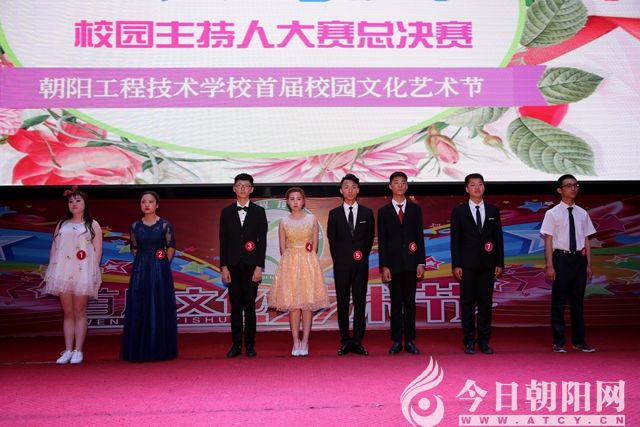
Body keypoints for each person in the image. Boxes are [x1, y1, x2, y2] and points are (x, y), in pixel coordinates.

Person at [268, 187, 330, 356]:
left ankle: (305, 341)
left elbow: (315, 246)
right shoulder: (283, 221)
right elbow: (282, 248)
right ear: (287, 202)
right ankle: (296, 341)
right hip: (290, 264)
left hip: (308, 264)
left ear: (303, 201)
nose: (295, 202)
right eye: (292, 199)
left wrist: (306, 259)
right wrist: (291, 260)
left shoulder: (312, 219)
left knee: (307, 305)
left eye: (298, 198)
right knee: (294, 306)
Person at [43, 188, 102, 365]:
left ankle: (78, 350)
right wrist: (52, 268)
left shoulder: (92, 225)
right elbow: (54, 247)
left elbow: (98, 249)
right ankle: (68, 350)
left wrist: (92, 271)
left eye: (77, 201)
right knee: (68, 312)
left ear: (85, 204)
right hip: (63, 272)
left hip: (82, 273)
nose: (74, 204)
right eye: (71, 201)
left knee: (79, 311)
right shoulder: (62, 224)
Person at [540, 174, 597, 353]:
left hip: (579, 259)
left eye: (575, 185)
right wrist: (550, 265)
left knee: (577, 302)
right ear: (560, 190)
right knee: (559, 301)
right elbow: (548, 240)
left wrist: (588, 264)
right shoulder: (552, 213)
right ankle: (559, 342)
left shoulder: (582, 213)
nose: (573, 188)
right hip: (561, 258)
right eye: (569, 185)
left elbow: (586, 239)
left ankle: (579, 341)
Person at [450, 173, 504, 355]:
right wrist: (456, 265)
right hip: (466, 265)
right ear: (467, 189)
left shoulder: (492, 210)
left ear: (484, 187)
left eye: (480, 184)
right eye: (472, 185)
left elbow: (498, 238)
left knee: (485, 303)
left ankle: (484, 341)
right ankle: (469, 341)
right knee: (467, 303)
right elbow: (455, 240)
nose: (477, 187)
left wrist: (499, 262)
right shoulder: (459, 211)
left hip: (488, 264)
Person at [121, 191, 178, 362]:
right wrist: (143, 262)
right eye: (143, 202)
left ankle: (159, 348)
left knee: (158, 304)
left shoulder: (164, 225)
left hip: (160, 269)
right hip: (141, 270)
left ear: (157, 205)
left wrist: (162, 263)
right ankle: (138, 348)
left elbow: (171, 246)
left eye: (150, 201)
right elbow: (134, 248)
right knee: (140, 304)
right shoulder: (135, 226)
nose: (146, 204)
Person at [219, 173, 268, 358]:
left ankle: (250, 345)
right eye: (239, 185)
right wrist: (224, 266)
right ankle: (236, 344)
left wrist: (259, 266)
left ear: (251, 189)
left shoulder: (259, 212)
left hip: (251, 265)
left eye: (246, 186)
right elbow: (223, 241)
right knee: (236, 306)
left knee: (249, 306)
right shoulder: (226, 212)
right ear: (234, 188)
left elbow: (262, 242)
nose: (242, 188)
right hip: (232, 265)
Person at [377, 172, 425, 355]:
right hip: (393, 265)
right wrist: (384, 266)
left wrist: (421, 262)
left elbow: (419, 237)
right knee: (396, 303)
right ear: (390, 186)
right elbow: (382, 241)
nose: (400, 185)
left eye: (403, 182)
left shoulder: (415, 209)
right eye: (396, 182)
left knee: (410, 303)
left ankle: (410, 340)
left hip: (412, 264)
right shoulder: (383, 211)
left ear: (406, 186)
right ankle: (397, 341)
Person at [327, 174, 375, 356]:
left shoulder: (366, 213)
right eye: (346, 187)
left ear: (358, 190)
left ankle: (358, 341)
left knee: (360, 302)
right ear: (341, 190)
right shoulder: (334, 214)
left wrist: (361, 257)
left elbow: (369, 239)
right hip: (341, 266)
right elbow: (333, 240)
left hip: (361, 265)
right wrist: (340, 260)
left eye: (353, 187)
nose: (350, 190)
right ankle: (345, 341)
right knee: (343, 302)